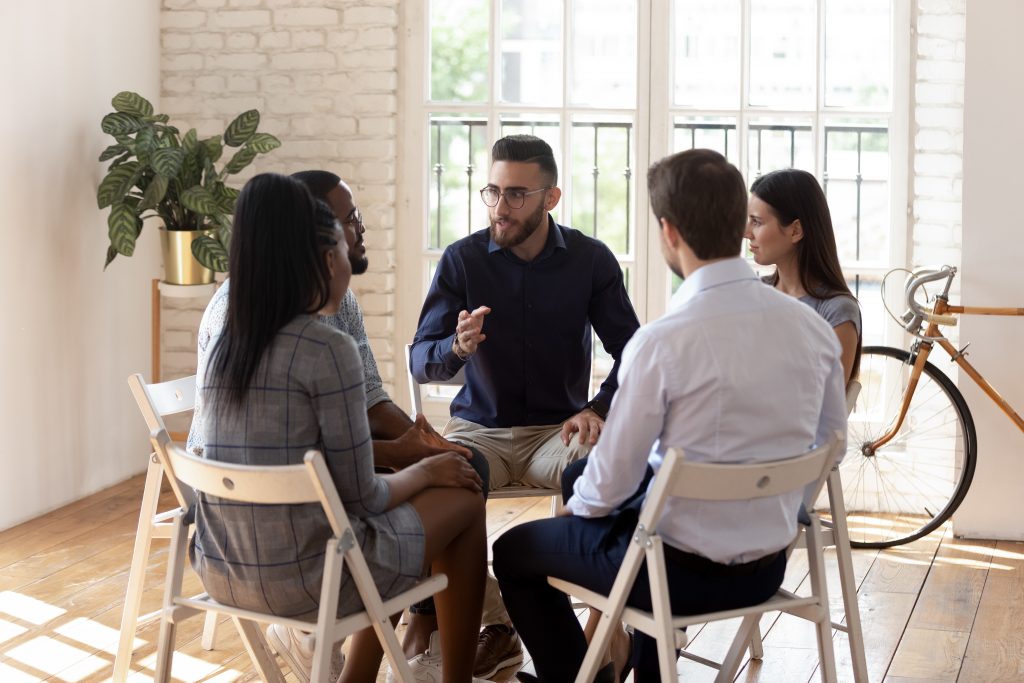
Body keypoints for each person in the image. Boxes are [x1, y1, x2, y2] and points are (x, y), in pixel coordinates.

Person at [492, 149, 848, 682]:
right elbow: (832, 444)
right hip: (768, 565)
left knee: (515, 549)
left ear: (669, 233)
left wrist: (577, 512)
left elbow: (610, 483)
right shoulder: (812, 330)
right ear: (737, 224)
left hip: (669, 576)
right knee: (618, 497)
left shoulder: (661, 343)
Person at [192, 173, 488, 683]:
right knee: (461, 498)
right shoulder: (325, 349)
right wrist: (426, 470)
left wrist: (419, 456)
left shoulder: (228, 346)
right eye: (343, 239)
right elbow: (366, 498)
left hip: (220, 569)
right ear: (326, 260)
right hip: (311, 579)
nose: (353, 250)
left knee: (439, 485)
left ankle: (377, 665)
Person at [409, 134, 641, 678]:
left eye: (516, 194)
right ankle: (478, 617)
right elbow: (422, 360)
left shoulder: (590, 260)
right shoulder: (462, 259)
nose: (499, 206)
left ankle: (600, 631)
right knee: (445, 479)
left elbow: (634, 353)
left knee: (601, 473)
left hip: (557, 431)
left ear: (550, 197)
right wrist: (457, 348)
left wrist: (599, 409)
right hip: (479, 428)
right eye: (492, 191)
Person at [745, 168, 862, 384]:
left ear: (795, 231)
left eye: (757, 222)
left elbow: (827, 405)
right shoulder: (755, 294)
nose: (746, 232)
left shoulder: (837, 311)